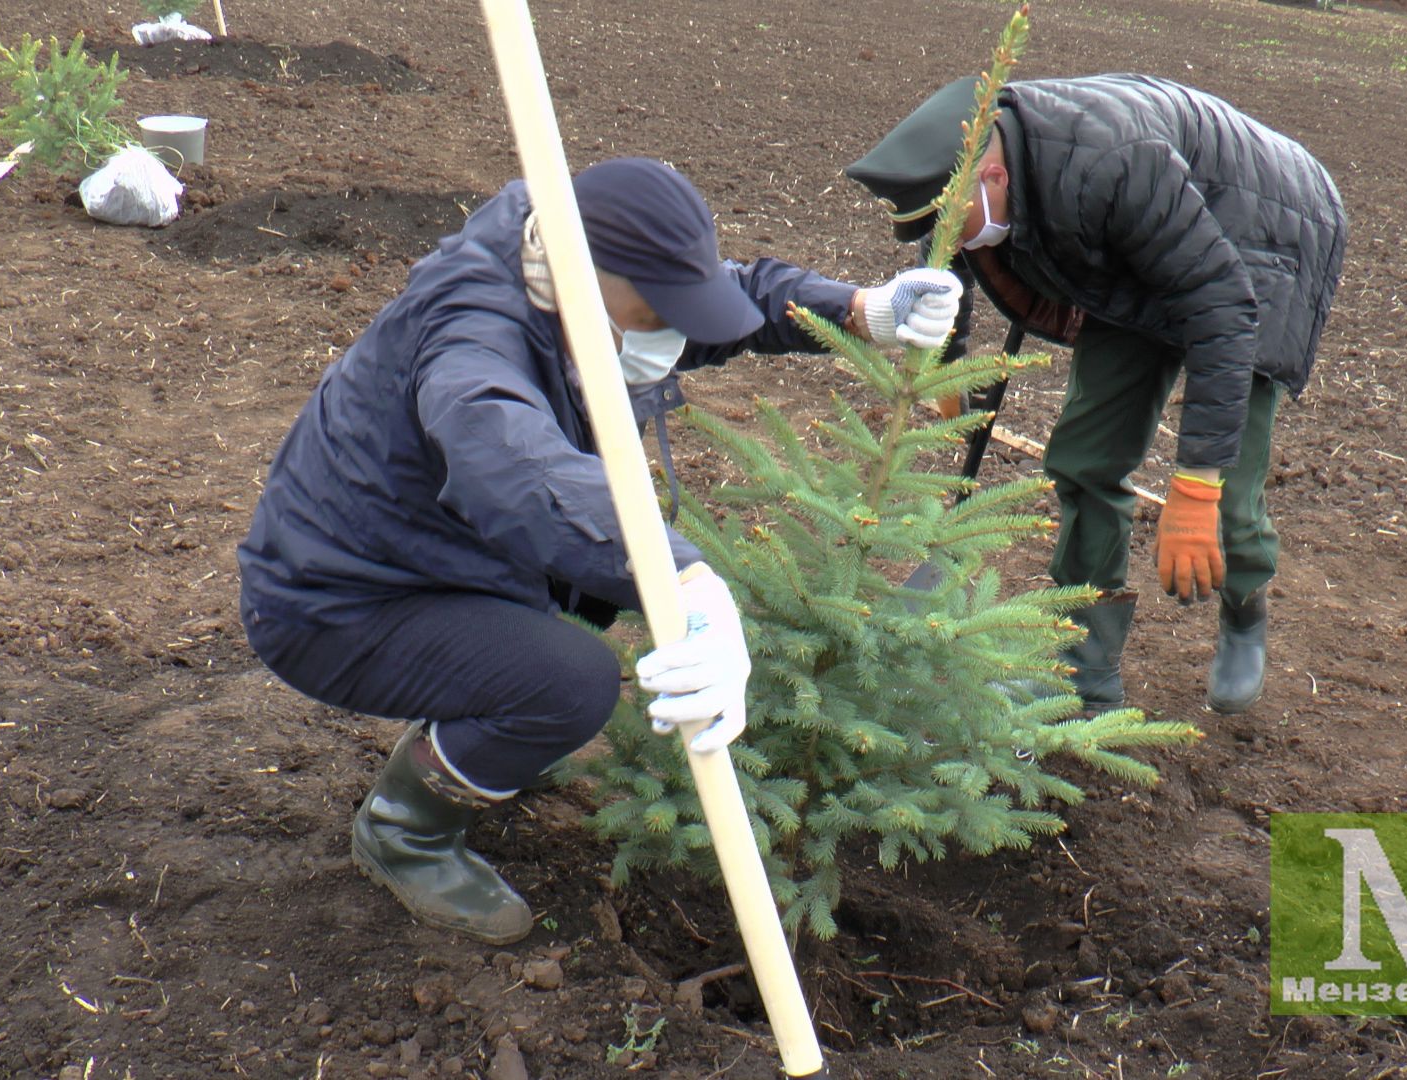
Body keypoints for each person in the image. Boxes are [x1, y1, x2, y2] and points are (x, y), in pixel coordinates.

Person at [237, 157, 961, 944]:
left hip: (442, 556)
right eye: (654, 314)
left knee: (583, 606)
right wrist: (685, 578)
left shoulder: (571, 251)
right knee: (572, 681)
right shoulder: (471, 343)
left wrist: (860, 309)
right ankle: (403, 831)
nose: (672, 336)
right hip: (333, 601)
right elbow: (515, 468)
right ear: (589, 280)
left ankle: (478, 736)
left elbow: (726, 293)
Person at [846, 75, 1347, 716]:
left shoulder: (1107, 164)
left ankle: (1245, 610)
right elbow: (941, 257)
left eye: (960, 220)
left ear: (994, 176)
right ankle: (1085, 670)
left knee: (1228, 497)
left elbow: (1221, 308)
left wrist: (1192, 487)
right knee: (1085, 460)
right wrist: (948, 370)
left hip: (1265, 239)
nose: (959, 238)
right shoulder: (961, 166)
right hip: (1141, 248)